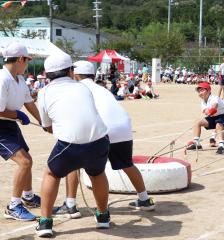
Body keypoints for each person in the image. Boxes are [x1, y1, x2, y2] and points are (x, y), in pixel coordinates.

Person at [51, 61, 155, 220]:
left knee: (74, 163)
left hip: (102, 131)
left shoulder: (77, 89)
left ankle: (70, 205)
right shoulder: (102, 89)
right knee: (127, 164)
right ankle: (144, 199)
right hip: (123, 129)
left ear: (75, 75)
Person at [36, 53, 111, 237]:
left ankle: (45, 222)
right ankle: (102, 217)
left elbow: (46, 126)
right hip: (100, 141)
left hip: (70, 144)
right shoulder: (82, 88)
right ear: (70, 71)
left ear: (47, 74)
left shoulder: (43, 92)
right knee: (97, 173)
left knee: (51, 173)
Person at [0, 42, 42, 221]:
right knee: (24, 162)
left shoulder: (19, 79)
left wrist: (43, 122)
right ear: (19, 59)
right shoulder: (2, 79)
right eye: (27, 60)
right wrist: (17, 114)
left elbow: (29, 102)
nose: (27, 64)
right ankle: (13, 206)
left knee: (28, 160)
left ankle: (28, 197)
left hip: (10, 124)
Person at [186, 82, 224, 154]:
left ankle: (221, 146)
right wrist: (209, 112)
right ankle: (196, 143)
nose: (200, 93)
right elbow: (206, 111)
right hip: (214, 116)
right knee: (198, 121)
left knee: (218, 124)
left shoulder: (214, 97)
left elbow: (214, 106)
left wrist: (212, 110)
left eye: (202, 90)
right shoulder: (203, 102)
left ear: (209, 91)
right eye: (199, 91)